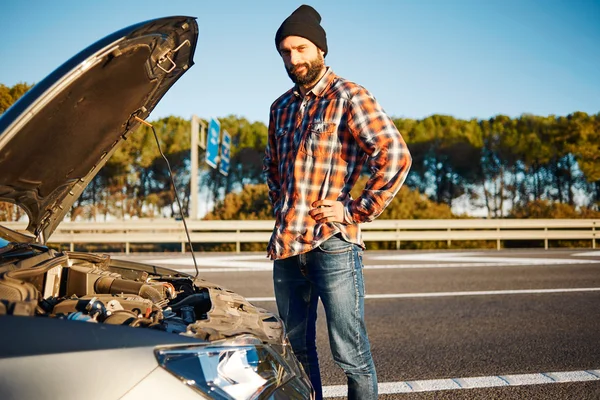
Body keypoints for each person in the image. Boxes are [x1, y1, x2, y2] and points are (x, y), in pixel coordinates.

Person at [263, 4, 412, 399]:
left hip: (333, 244)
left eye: (301, 48)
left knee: (350, 354)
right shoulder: (279, 108)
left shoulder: (349, 96)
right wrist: (282, 207)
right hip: (288, 245)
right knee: (294, 352)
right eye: (285, 52)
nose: (293, 58)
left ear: (320, 50)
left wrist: (353, 210)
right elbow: (272, 169)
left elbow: (394, 155)